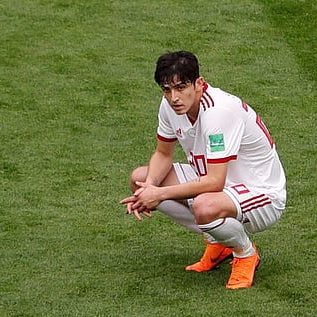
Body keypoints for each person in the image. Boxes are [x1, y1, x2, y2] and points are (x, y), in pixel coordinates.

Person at [120, 51, 286, 289]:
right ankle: (218, 240)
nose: (174, 97)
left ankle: (245, 254)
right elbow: (163, 154)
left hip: (261, 194)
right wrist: (149, 187)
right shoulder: (170, 107)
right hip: (218, 185)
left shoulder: (219, 113)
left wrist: (158, 194)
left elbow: (215, 182)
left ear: (199, 83)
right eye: (167, 89)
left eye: (181, 87)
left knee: (205, 205)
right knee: (140, 180)